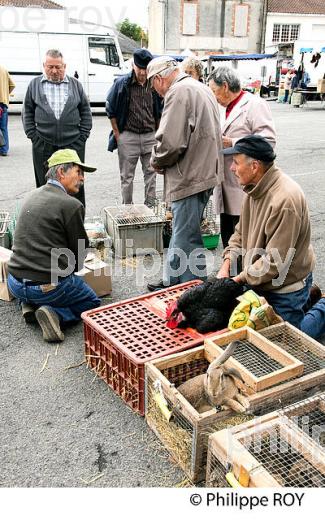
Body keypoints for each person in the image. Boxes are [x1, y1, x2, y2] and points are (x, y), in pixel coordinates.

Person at [216, 135, 322, 336]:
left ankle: (321, 307)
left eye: (236, 163)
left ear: (255, 166)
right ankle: (307, 299)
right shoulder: (253, 189)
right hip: (262, 279)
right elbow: (239, 234)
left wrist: (237, 280)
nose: (231, 168)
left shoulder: (285, 200)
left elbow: (275, 262)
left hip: (285, 284)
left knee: (292, 342)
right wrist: (226, 265)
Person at [146, 56, 223, 291]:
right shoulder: (199, 87)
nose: (156, 92)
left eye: (153, 85)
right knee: (184, 234)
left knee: (186, 237)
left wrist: (156, 160)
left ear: (159, 78)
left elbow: (170, 142)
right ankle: (174, 282)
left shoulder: (178, 92)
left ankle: (192, 289)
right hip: (202, 171)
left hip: (191, 175)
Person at [7, 149, 101, 343]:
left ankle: (28, 304)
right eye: (78, 172)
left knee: (36, 285)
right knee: (92, 302)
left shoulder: (30, 195)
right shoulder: (71, 205)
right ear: (61, 173)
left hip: (14, 283)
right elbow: (79, 256)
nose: (82, 178)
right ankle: (55, 314)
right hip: (47, 287)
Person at [208, 67, 276, 248]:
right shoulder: (223, 108)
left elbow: (268, 141)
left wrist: (234, 142)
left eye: (214, 91)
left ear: (225, 86)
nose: (213, 96)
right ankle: (231, 274)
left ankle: (242, 275)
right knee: (228, 239)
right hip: (225, 182)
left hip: (244, 185)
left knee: (245, 241)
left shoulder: (254, 104)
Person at [22, 49, 92, 206]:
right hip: (43, 144)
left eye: (58, 67)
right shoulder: (34, 85)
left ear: (64, 66)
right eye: (50, 66)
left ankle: (76, 220)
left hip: (73, 144)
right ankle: (47, 219)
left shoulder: (76, 85)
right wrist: (33, 136)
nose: (54, 71)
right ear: (44, 66)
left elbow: (86, 113)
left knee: (75, 184)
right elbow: (27, 112)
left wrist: (82, 137)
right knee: (45, 183)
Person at [106, 49, 163, 206]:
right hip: (128, 136)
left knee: (151, 175)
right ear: (133, 65)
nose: (143, 72)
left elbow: (160, 110)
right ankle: (127, 209)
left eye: (146, 69)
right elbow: (110, 111)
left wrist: (158, 134)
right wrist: (118, 136)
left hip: (150, 136)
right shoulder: (122, 84)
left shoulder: (154, 84)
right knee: (127, 177)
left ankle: (150, 208)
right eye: (140, 68)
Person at [0, 64, 15, 156]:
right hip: (4, 103)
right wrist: (5, 94)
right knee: (3, 128)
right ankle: (4, 149)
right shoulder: (3, 69)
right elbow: (12, 85)